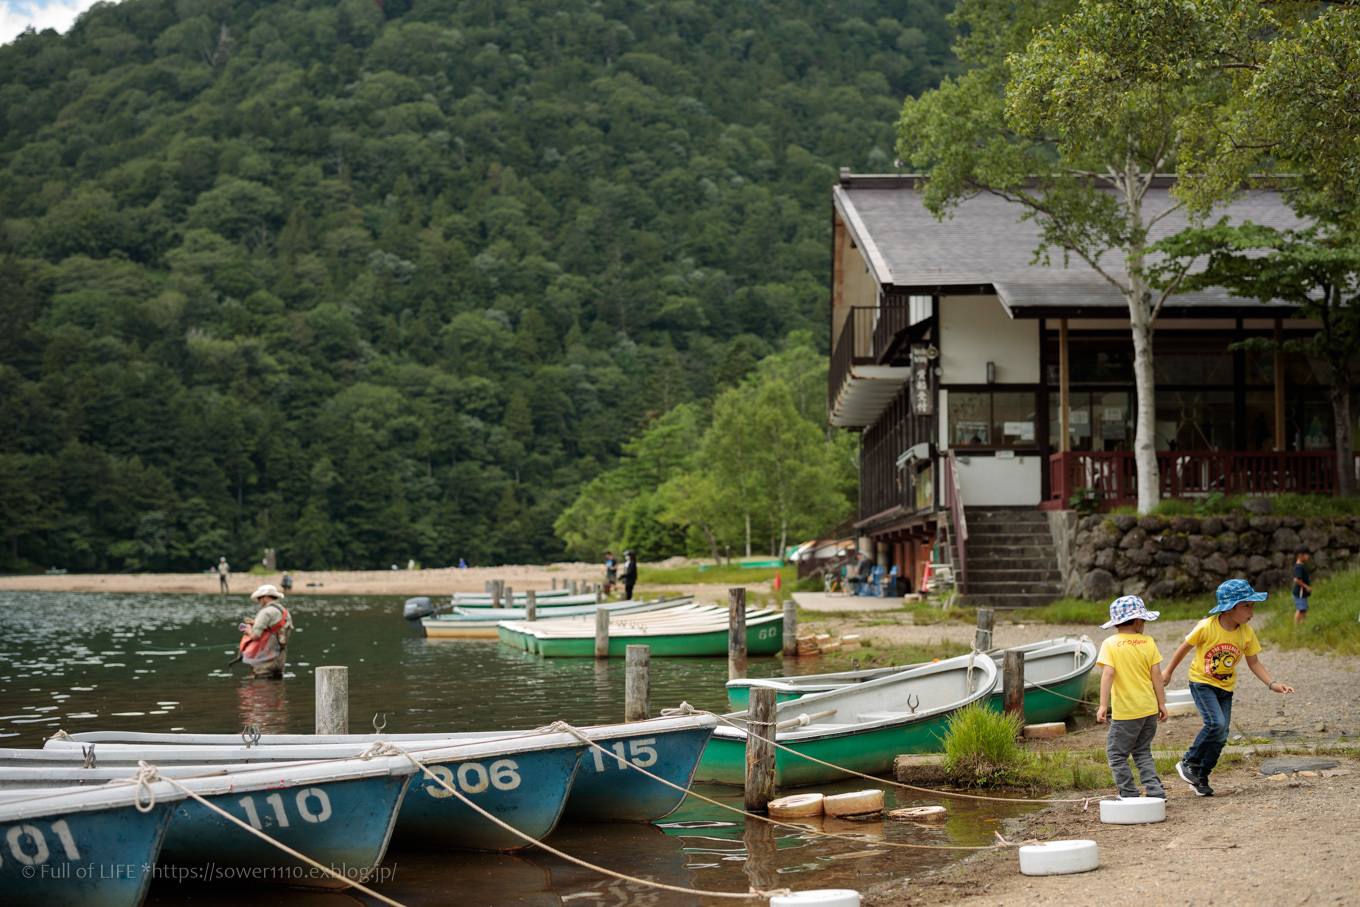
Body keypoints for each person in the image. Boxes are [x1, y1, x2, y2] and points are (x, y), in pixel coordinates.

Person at [1161, 578, 1295, 796]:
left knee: (1221, 735)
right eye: (1246, 606)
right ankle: (1189, 762)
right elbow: (1184, 648)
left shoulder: (1246, 632)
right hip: (1202, 683)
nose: (1252, 611)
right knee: (1216, 724)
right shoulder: (1206, 627)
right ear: (1230, 608)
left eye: (1252, 605)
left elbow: (1254, 662)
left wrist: (1272, 684)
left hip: (1225, 689)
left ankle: (1201, 777)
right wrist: (1168, 671)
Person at [1095, 595, 1167, 800]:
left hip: (1126, 713)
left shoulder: (1110, 643)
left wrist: (1102, 705)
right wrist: (1161, 703)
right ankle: (1156, 792)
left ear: (1116, 623)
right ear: (1137, 621)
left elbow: (1108, 675)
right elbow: (1157, 676)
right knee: (1142, 751)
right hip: (1149, 709)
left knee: (1116, 755)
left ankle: (1128, 794)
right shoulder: (1148, 642)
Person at [238, 584, 293, 679]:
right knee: (278, 688)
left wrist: (248, 630)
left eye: (259, 598)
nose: (259, 601)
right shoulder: (284, 612)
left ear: (266, 598)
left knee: (261, 688)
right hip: (281, 657)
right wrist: (256, 623)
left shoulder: (265, 612)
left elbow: (255, 636)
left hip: (266, 659)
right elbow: (274, 629)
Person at [1292, 544, 1312, 627]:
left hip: (1302, 593)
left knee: (1303, 609)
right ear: (1301, 555)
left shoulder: (1301, 566)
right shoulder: (1299, 567)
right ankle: (1296, 626)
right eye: (1307, 555)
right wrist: (1306, 587)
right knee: (1300, 609)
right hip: (1299, 592)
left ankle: (1302, 625)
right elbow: (1296, 579)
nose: (1308, 557)